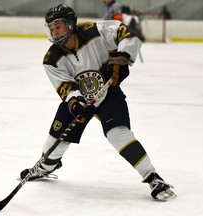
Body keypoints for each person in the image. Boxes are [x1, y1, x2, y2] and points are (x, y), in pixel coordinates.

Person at [20, 4, 176, 201]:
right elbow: (65, 87)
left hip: (108, 93)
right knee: (56, 139)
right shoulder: (52, 59)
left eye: (58, 26)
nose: (54, 31)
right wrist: (76, 103)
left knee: (118, 134)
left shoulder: (94, 31)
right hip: (81, 100)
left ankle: (153, 177)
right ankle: (45, 167)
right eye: (51, 27)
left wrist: (123, 57)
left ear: (70, 24)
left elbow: (129, 35)